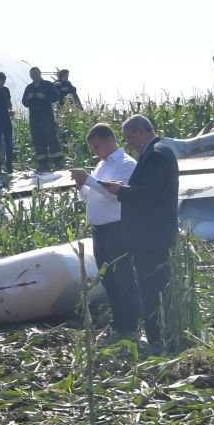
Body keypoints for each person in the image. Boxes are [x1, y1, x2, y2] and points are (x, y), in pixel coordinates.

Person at [98, 113, 180, 351]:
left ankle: (157, 337)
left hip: (151, 236)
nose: (129, 141)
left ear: (142, 131)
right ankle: (159, 334)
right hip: (151, 235)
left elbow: (149, 194)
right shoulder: (157, 152)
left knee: (152, 287)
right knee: (152, 286)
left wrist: (120, 192)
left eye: (130, 136)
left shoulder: (156, 155)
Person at [68, 123, 138, 340]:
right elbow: (91, 197)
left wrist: (88, 178)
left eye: (97, 146)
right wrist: (82, 186)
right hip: (100, 231)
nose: (95, 151)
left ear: (109, 140)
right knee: (108, 279)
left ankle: (131, 324)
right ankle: (118, 322)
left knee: (123, 277)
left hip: (117, 229)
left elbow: (115, 193)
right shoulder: (101, 166)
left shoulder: (126, 164)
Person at [20, 67, 61, 172]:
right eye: (32, 74)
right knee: (38, 141)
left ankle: (58, 162)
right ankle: (43, 165)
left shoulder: (48, 84)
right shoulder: (29, 88)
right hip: (34, 118)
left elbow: (56, 97)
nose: (34, 76)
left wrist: (44, 97)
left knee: (51, 139)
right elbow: (24, 103)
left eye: (36, 73)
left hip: (47, 117)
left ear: (39, 73)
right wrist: (28, 98)